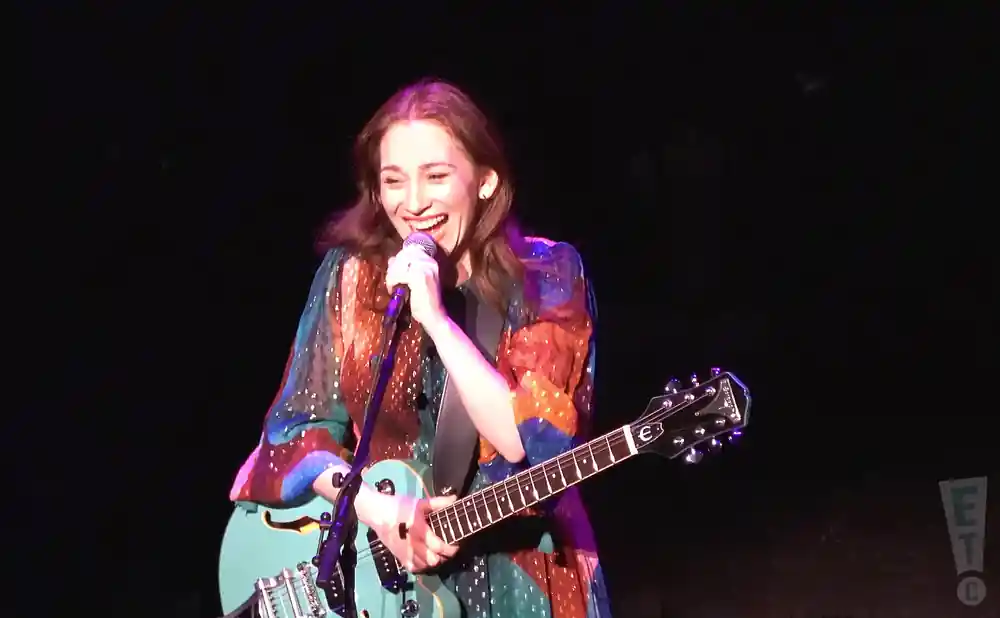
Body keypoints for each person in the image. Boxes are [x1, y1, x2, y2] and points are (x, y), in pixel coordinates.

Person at [229, 78, 611, 618]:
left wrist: (434, 317)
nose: (412, 204)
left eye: (436, 177)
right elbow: (296, 431)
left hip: (519, 583)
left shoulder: (546, 276)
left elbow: (530, 441)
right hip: (385, 589)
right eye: (393, 181)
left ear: (484, 181)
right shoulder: (351, 277)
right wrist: (377, 508)